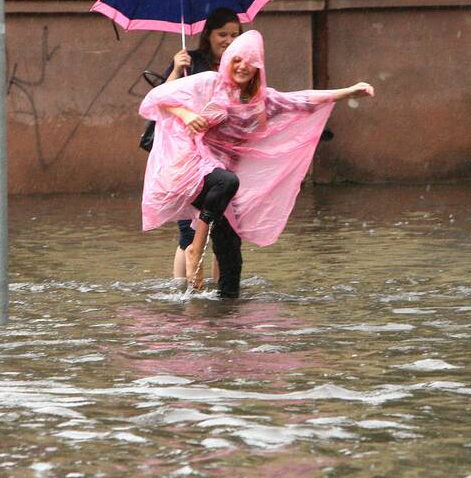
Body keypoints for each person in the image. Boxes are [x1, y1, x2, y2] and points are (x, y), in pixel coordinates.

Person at [139, 29, 374, 296]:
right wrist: (186, 113)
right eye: (237, 60)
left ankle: (224, 314)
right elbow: (156, 98)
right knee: (227, 182)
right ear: (228, 61)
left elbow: (303, 99)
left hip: (222, 179)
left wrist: (349, 92)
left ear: (258, 67)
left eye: (249, 62)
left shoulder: (263, 101)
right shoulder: (209, 83)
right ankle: (195, 249)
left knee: (231, 258)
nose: (242, 66)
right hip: (191, 168)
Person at [155, 8, 242, 283]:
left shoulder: (239, 65)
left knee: (225, 228)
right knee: (188, 231)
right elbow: (160, 99)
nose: (228, 40)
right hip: (189, 157)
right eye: (222, 34)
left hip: (224, 157)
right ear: (208, 35)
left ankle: (219, 290)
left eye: (234, 35)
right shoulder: (189, 62)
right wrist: (176, 68)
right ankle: (182, 290)